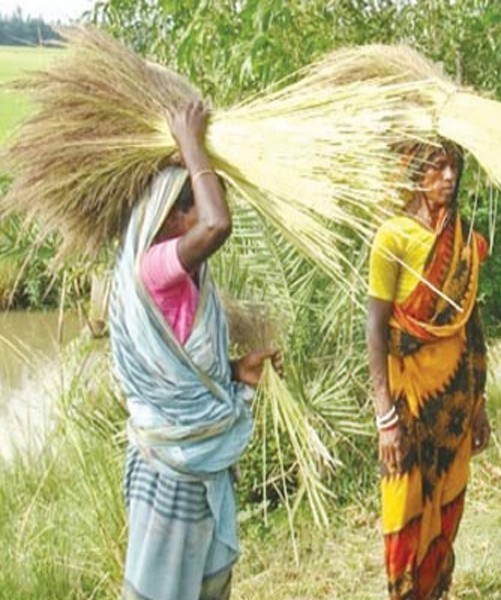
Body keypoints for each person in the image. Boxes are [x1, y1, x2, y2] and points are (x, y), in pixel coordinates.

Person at [108, 100, 282, 600]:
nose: (199, 219)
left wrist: (233, 372)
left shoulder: (179, 276)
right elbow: (218, 224)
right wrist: (190, 143)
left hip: (188, 458)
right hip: (173, 463)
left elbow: (179, 371)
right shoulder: (155, 264)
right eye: (190, 209)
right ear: (166, 216)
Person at [366, 142, 492, 599]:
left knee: (448, 505)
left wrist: (478, 404)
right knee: (404, 507)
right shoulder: (392, 238)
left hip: (455, 398)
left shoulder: (462, 238)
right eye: (437, 166)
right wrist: (385, 419)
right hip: (407, 401)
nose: (448, 176)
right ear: (415, 172)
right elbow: (376, 331)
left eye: (454, 166)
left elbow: (472, 327)